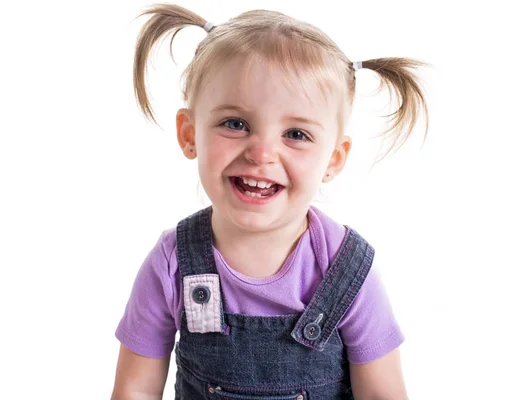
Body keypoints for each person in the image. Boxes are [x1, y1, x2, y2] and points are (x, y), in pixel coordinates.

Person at [112, 3, 429, 399]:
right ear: (190, 134)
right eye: (235, 124)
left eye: (296, 134)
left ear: (333, 159)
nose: (261, 153)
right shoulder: (172, 263)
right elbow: (134, 391)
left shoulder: (347, 271)